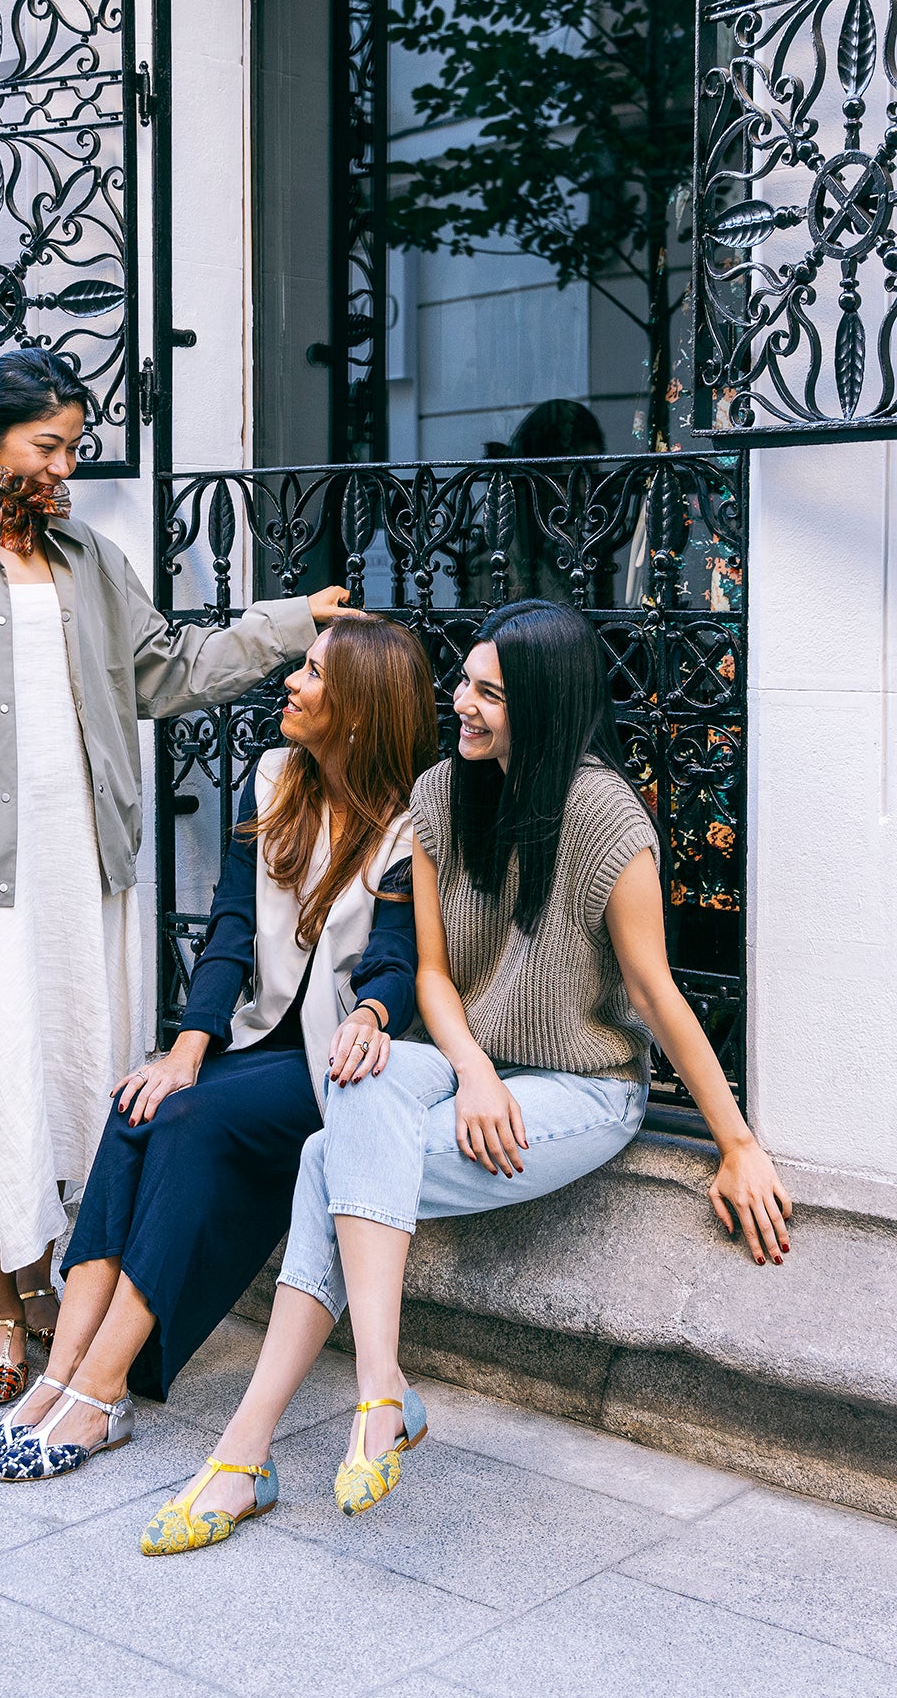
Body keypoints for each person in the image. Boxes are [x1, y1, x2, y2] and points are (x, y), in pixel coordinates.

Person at [144, 598, 793, 1553]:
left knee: (331, 1159)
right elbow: (438, 976)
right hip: (471, 1068)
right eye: (465, 684)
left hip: (581, 1086)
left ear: (543, 704)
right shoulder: (443, 793)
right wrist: (475, 1071)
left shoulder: (607, 817)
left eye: (490, 693)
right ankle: (377, 1388)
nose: (463, 705)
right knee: (357, 1076)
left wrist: (736, 1143)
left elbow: (653, 995)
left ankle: (249, 1452)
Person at [0, 347, 353, 1405]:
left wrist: (293, 623)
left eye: (74, 447)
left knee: (56, 1078)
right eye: (46, 445)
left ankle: (55, 1275)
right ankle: (4, 1305)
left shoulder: (86, 556)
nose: (64, 467)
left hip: (76, 857)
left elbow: (168, 670)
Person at [0, 614, 439, 1479]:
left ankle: (104, 1392)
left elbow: (400, 959)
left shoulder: (410, 824)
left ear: (361, 710)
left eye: (316, 674)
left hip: (329, 1066)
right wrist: (184, 1049)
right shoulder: (274, 780)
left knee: (188, 1123)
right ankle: (61, 1374)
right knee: (142, 1100)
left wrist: (371, 1013)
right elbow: (229, 927)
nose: (292, 682)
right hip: (257, 1039)